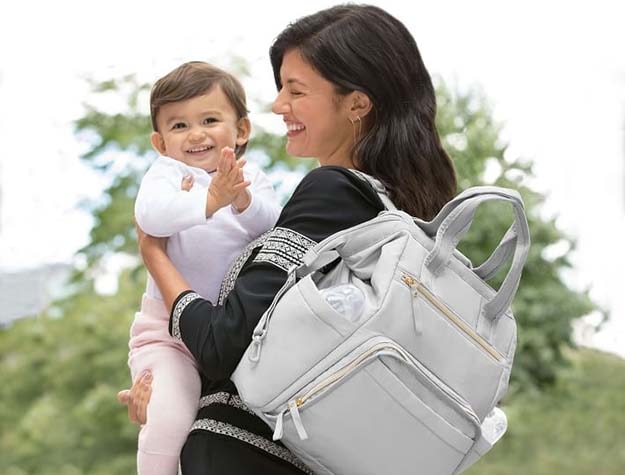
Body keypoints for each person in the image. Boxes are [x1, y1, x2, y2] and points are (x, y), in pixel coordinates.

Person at [121, 4, 457, 474]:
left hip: (245, 454)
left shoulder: (332, 193)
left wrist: (154, 256)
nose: (279, 105)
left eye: (295, 91)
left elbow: (222, 345)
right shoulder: (401, 217)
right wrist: (164, 396)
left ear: (357, 104)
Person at [123, 61, 282, 475]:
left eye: (209, 120)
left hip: (228, 337)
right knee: (168, 417)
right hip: (168, 339)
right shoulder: (166, 176)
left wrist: (239, 199)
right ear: (160, 142)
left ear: (241, 130)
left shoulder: (252, 180)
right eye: (178, 126)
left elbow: (273, 229)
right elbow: (151, 218)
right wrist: (210, 201)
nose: (194, 134)